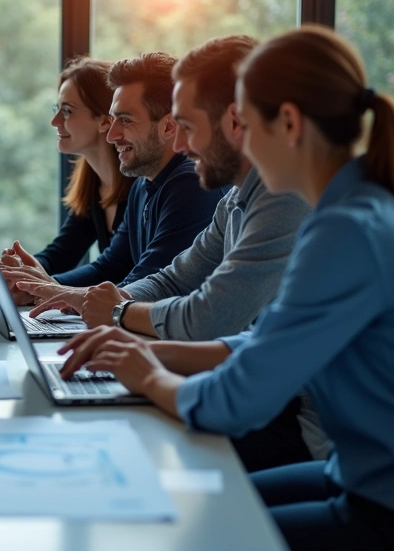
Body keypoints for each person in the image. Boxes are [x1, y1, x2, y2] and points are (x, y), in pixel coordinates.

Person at [53, 26, 394, 551]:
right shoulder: (347, 209)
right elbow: (265, 339)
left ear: (287, 122)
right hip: (356, 476)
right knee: (182, 507)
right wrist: (143, 350)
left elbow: (236, 399)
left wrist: (150, 374)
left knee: (184, 532)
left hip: (390, 505)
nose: (235, 135)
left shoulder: (345, 229)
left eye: (243, 121)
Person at [32, 36, 323, 473]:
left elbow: (213, 317)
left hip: (307, 428)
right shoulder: (239, 198)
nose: (181, 146)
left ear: (235, 120)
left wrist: (120, 320)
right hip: (277, 398)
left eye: (186, 126)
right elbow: (176, 279)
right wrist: (108, 309)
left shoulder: (286, 198)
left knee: (139, 455)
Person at [6, 53, 227, 308]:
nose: (111, 135)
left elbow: (151, 284)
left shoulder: (191, 185)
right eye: (113, 120)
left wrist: (51, 292)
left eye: (125, 120)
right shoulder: (142, 185)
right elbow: (111, 266)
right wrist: (40, 289)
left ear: (168, 127)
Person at [0, 57, 133, 305]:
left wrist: (39, 287)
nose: (55, 121)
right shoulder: (93, 185)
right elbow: (61, 253)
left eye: (67, 111)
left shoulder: (139, 187)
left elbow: (112, 268)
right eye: (56, 109)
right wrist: (16, 272)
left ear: (104, 120)